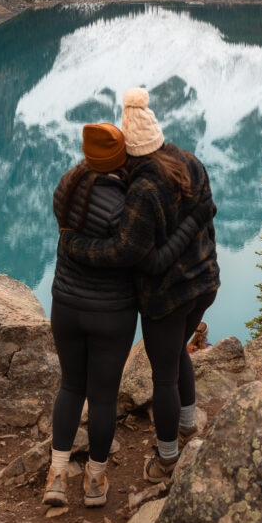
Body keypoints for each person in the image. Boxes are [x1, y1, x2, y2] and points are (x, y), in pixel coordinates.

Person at [60, 88, 220, 484]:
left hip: (166, 297)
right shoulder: (192, 163)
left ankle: (167, 460)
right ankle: (187, 427)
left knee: (163, 375)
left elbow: (131, 253)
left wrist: (76, 245)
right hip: (205, 284)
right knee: (177, 354)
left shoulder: (143, 190)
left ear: (131, 150)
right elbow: (200, 217)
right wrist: (194, 219)